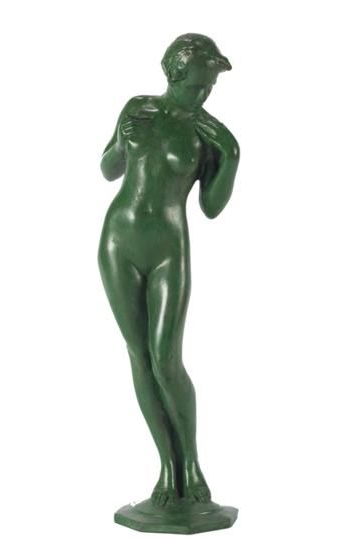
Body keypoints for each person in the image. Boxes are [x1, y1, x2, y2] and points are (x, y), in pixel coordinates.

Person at [98, 33, 240, 506]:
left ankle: (191, 464)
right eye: (197, 84)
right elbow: (108, 169)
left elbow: (212, 208)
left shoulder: (209, 133)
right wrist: (122, 140)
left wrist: (231, 156)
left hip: (168, 250)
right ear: (175, 73)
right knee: (139, 356)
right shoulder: (138, 108)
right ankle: (167, 469)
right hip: (118, 241)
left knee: (166, 359)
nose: (204, 94)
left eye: (210, 86)